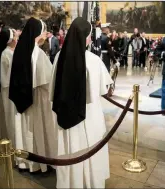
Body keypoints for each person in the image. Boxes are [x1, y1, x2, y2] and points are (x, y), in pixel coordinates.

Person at [50, 17, 113, 189]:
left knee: (71, 149)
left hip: (66, 116)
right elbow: (103, 90)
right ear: (83, 37)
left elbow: (53, 89)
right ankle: (91, 182)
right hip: (90, 115)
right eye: (89, 36)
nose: (90, 39)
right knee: (90, 148)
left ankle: (70, 183)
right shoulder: (93, 60)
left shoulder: (57, 58)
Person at [9, 17, 56, 173]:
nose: (45, 35)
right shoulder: (37, 53)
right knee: (36, 131)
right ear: (37, 33)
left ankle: (25, 162)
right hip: (37, 101)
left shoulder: (19, 50)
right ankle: (38, 163)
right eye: (43, 32)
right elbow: (48, 81)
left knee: (24, 130)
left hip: (23, 102)